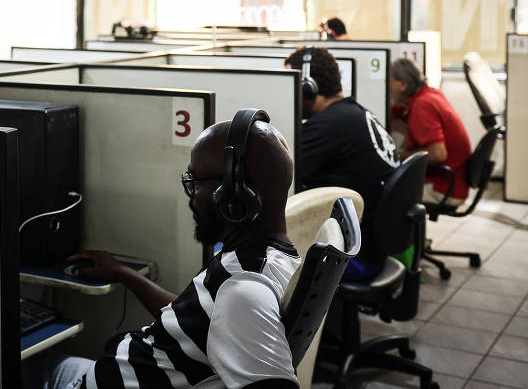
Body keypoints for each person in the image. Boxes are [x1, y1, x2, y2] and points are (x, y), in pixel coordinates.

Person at [24, 110, 301, 389]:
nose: (191, 197)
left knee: (15, 365)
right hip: (111, 372)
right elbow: (200, 324)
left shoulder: (242, 290)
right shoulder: (273, 258)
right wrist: (125, 274)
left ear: (233, 195)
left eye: (195, 182)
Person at [284, 47, 399, 280]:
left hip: (352, 255)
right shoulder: (354, 113)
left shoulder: (327, 125)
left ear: (307, 87)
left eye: (290, 86)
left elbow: (282, 180)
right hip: (373, 246)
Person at [390, 58, 472, 206]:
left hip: (444, 187)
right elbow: (409, 114)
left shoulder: (421, 106)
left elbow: (438, 154)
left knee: (385, 194)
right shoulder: (429, 94)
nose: (386, 85)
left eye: (389, 81)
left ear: (402, 84)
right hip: (455, 182)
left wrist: (398, 156)